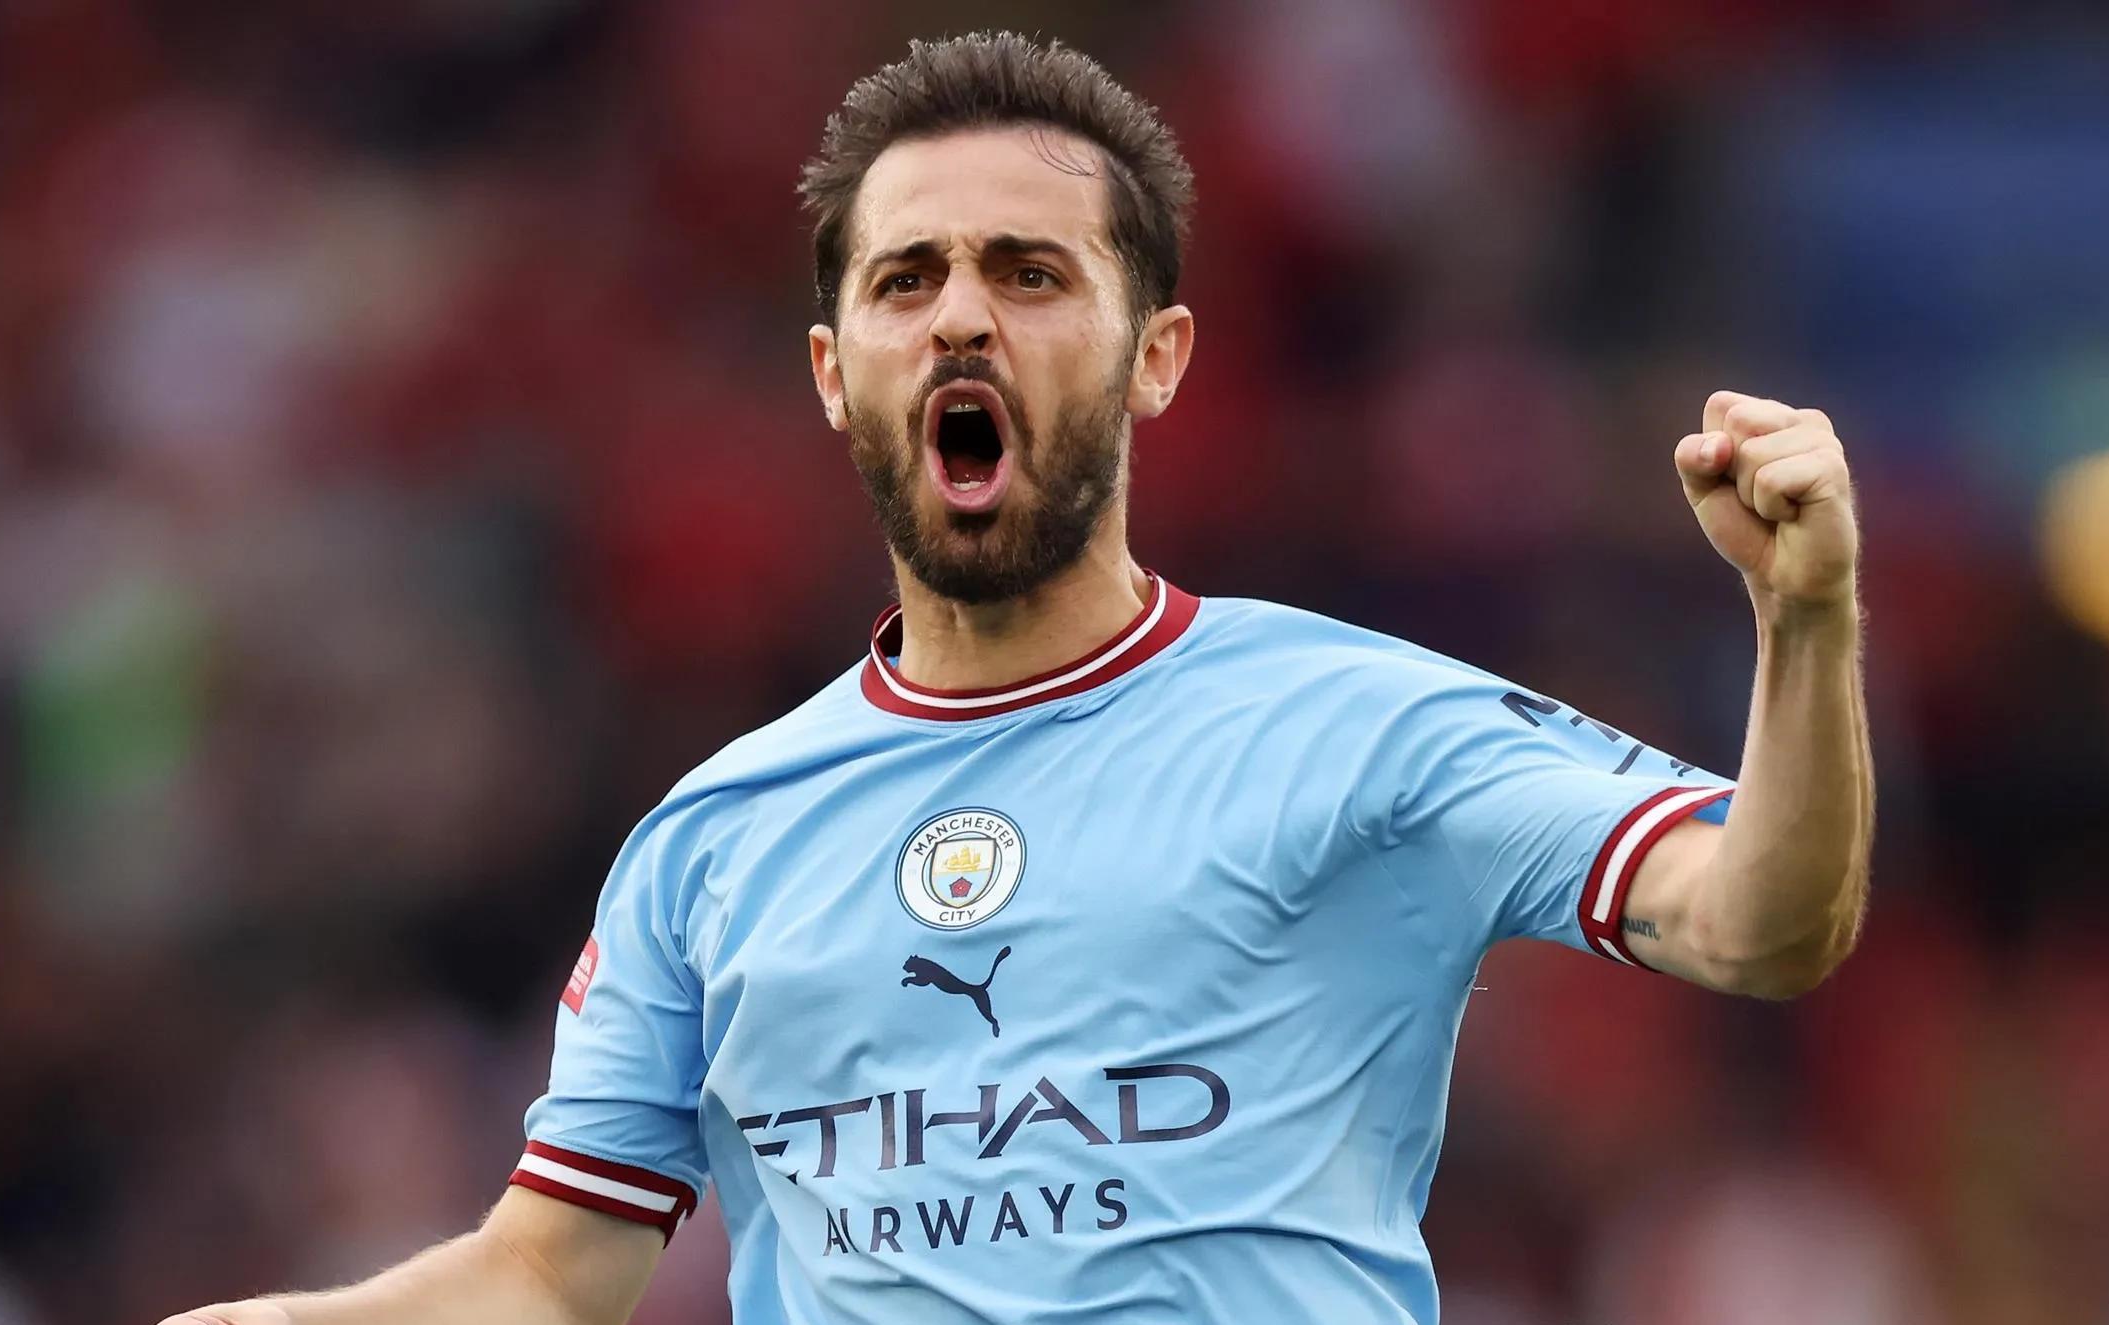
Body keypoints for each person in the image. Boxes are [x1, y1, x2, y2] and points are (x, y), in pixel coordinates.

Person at [164, 29, 1871, 1325]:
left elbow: (1762, 921)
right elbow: (547, 1274)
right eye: (907, 280)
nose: (961, 319)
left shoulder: (1360, 726)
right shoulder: (713, 841)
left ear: (1156, 356)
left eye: (1030, 273)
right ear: (834, 371)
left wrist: (1806, 624)